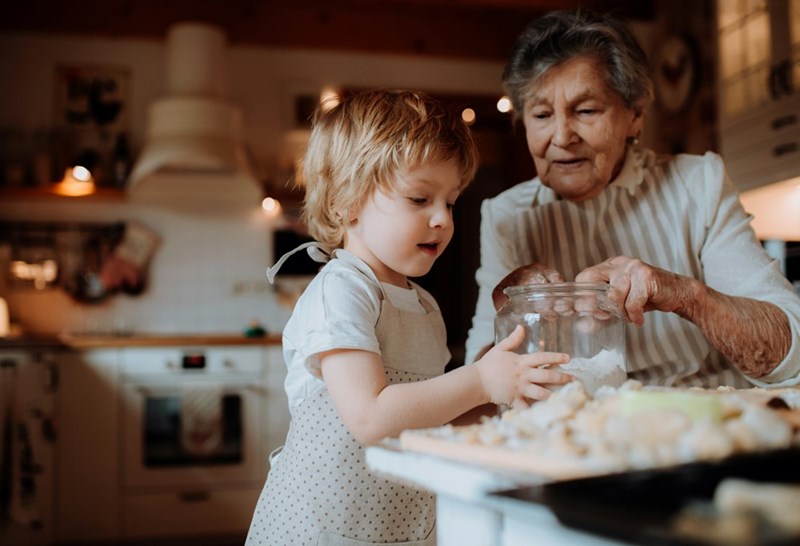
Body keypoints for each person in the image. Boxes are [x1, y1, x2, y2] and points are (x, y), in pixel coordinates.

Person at [246, 89, 573, 546]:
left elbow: (432, 415)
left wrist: (507, 390)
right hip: (318, 532)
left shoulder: (423, 305)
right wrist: (481, 380)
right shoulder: (342, 291)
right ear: (347, 201)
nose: (442, 219)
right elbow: (370, 416)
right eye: (420, 199)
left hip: (393, 530)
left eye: (450, 201)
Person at [465, 9, 800, 389]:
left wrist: (684, 294)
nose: (561, 137)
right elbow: (479, 383)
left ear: (635, 115)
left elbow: (790, 356)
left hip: (705, 412)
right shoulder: (507, 215)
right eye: (542, 115)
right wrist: (512, 311)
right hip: (580, 419)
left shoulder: (696, 183)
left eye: (586, 110)